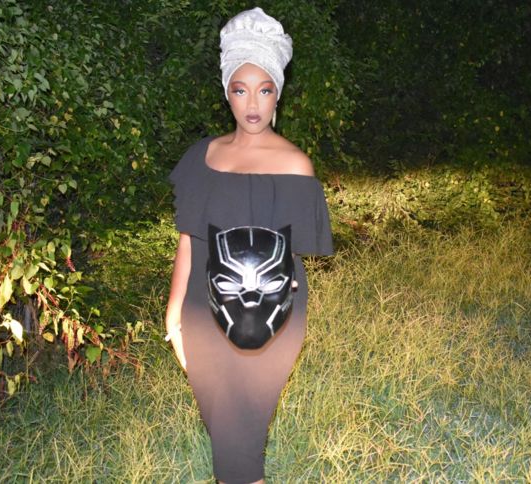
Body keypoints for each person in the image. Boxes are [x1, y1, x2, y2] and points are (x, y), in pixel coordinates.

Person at [165, 7, 333, 483]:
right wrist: (174, 311)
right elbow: (189, 239)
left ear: (278, 92)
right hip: (203, 307)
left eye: (264, 89)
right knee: (228, 442)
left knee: (239, 446)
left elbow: (291, 259)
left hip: (269, 311)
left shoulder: (294, 165)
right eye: (241, 89)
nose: (252, 103)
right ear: (227, 92)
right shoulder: (202, 156)